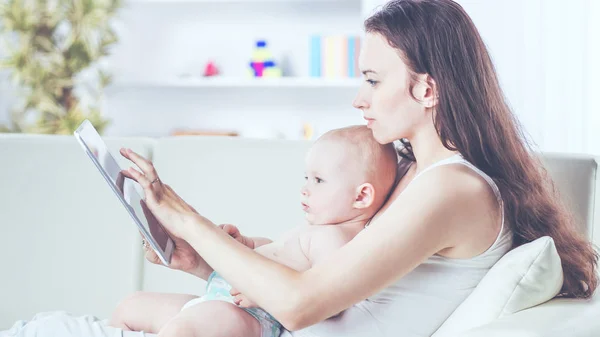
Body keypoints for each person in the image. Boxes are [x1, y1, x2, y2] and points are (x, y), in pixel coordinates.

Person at [116, 1, 599, 336]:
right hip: (277, 324)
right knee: (126, 312)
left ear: (427, 90)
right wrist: (200, 262)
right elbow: (328, 277)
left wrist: (187, 220)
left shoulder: (455, 188)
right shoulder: (408, 173)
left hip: (288, 323)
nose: (358, 99)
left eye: (372, 80)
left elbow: (302, 303)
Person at [109, 125, 399, 337]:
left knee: (183, 330)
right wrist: (247, 244)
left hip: (251, 317)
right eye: (306, 177)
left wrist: (263, 295)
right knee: (131, 306)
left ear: (361, 196)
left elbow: (327, 300)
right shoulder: (316, 229)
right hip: (218, 301)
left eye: (319, 180)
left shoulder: (336, 239)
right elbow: (282, 255)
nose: (305, 188)